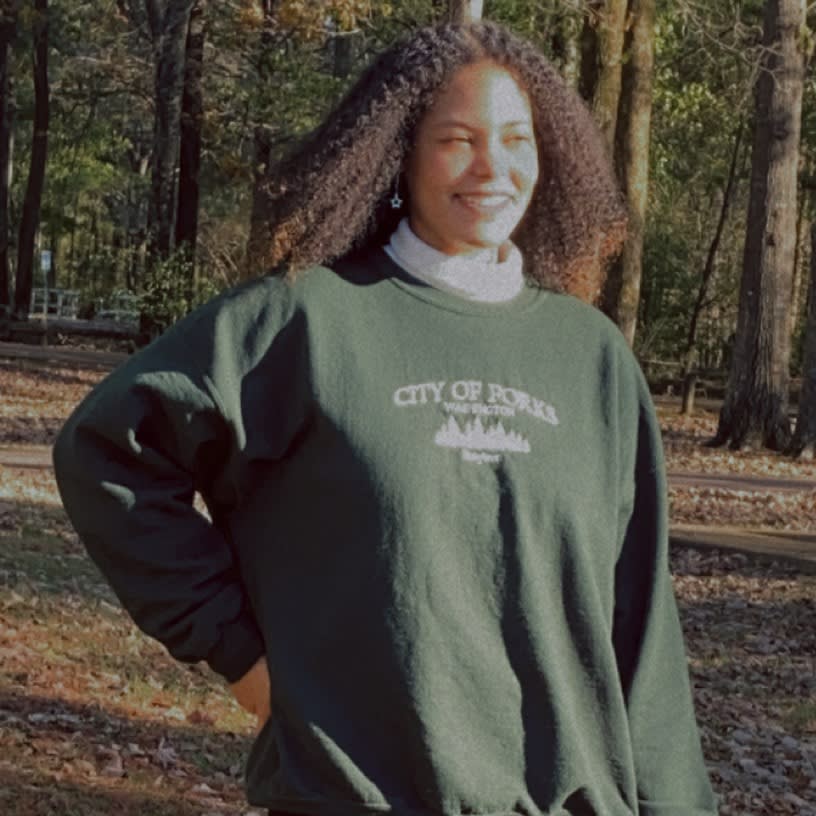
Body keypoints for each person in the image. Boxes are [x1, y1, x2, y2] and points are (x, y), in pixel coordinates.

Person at [53, 19, 718, 816]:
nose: (493, 167)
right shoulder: (304, 320)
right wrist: (242, 658)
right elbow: (107, 452)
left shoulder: (591, 356)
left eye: (517, 140)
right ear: (401, 153)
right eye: (458, 140)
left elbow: (640, 623)